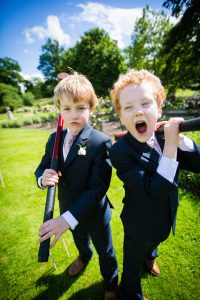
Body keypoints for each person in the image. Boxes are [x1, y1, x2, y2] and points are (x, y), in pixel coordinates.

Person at [109, 69, 200, 300]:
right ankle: (131, 293)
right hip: (138, 221)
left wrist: (180, 140)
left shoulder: (166, 137)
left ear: (159, 109)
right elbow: (155, 190)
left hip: (166, 214)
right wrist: (170, 146)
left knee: (156, 239)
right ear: (120, 116)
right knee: (132, 259)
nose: (138, 110)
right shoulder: (120, 152)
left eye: (146, 103)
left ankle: (150, 258)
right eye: (128, 107)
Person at [35, 71, 118, 300]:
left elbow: (97, 188)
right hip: (67, 206)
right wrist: (43, 178)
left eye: (80, 108)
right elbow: (41, 167)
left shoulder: (100, 142)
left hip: (93, 212)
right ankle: (83, 256)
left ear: (91, 109)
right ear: (59, 111)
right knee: (80, 239)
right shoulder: (54, 138)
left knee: (106, 251)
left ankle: (111, 285)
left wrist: (67, 219)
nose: (74, 114)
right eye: (67, 108)